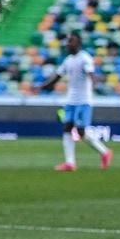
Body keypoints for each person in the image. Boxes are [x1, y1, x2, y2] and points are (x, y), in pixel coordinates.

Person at [40, 31, 112, 172]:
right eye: (68, 41)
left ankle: (105, 152)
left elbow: (90, 73)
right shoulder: (68, 60)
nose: (68, 44)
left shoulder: (85, 58)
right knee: (67, 128)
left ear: (78, 43)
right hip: (71, 100)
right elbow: (57, 76)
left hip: (84, 100)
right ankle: (70, 163)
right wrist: (42, 87)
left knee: (80, 131)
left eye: (71, 41)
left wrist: (95, 82)